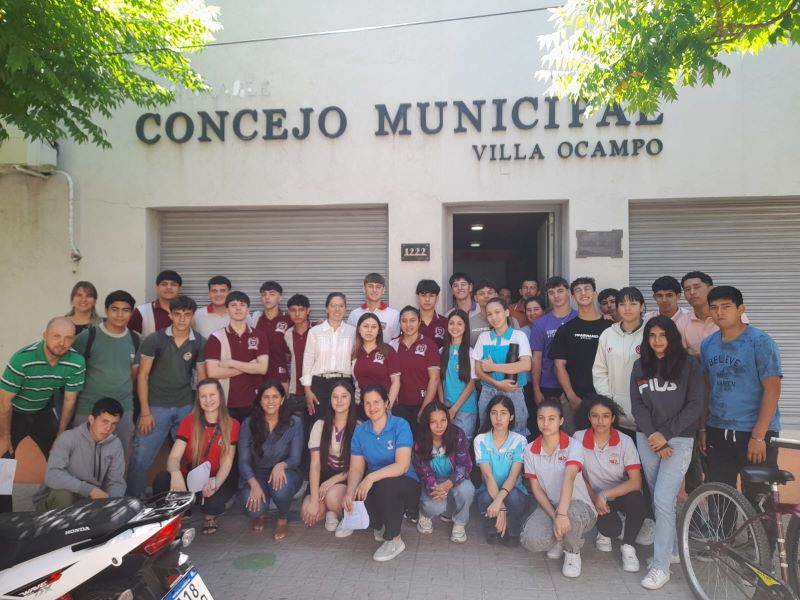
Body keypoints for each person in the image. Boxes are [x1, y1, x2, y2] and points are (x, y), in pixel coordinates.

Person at [630, 316, 705, 590]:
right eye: (652, 335)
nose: (657, 340)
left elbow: (695, 405)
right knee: (660, 498)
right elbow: (637, 405)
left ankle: (660, 567)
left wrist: (665, 434)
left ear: (672, 337)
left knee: (663, 498)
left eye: (663, 335)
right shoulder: (640, 365)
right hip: (647, 438)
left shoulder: (689, 365)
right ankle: (671, 550)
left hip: (679, 439)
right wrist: (654, 435)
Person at [700, 286, 782, 511]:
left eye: (726, 306)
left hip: (754, 432)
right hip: (718, 430)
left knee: (759, 497)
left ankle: (761, 536)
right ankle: (722, 534)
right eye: (714, 308)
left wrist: (759, 436)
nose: (719, 312)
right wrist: (703, 428)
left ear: (740, 309)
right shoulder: (708, 344)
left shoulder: (760, 341)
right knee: (719, 494)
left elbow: (772, 390)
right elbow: (707, 388)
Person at [0, 317, 85, 512]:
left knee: (61, 455)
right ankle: (4, 517)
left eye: (68, 338)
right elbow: (4, 403)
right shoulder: (22, 359)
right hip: (13, 412)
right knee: (3, 462)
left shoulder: (76, 362)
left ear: (73, 340)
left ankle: (55, 508)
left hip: (42, 411)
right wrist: (5, 436)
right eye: (56, 336)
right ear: (45, 336)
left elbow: (69, 401)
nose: (62, 343)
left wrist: (60, 435)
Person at [126, 295, 207, 498]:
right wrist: (145, 412)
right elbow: (143, 376)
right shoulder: (155, 339)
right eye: (177, 314)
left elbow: (202, 378)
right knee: (141, 458)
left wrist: (197, 410)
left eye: (186, 314)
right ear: (170, 315)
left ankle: (184, 503)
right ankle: (133, 502)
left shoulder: (199, 342)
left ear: (192, 316)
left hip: (185, 406)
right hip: (155, 407)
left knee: (189, 458)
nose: (182, 319)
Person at [152, 378, 240, 535]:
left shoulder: (232, 424)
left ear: (220, 396)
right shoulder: (189, 422)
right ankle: (182, 512)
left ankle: (210, 515)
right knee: (162, 480)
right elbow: (173, 457)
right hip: (191, 477)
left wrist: (214, 485)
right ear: (198, 399)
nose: (208, 400)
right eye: (203, 396)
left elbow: (226, 463)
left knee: (212, 505)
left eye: (212, 395)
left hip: (215, 478)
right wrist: (175, 473)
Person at [344, 384, 420, 562]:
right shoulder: (360, 430)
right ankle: (381, 524)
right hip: (377, 484)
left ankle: (395, 539)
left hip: (406, 483)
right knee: (359, 492)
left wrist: (370, 477)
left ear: (386, 403)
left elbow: (402, 466)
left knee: (387, 485)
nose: (372, 407)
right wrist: (350, 492)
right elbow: (356, 468)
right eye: (367, 403)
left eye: (377, 402)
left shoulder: (400, 425)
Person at [521, 400, 597, 579]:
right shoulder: (530, 450)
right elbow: (536, 490)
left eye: (551, 418)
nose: (545, 423)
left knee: (569, 513)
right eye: (541, 418)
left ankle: (573, 552)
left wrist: (561, 515)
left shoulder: (573, 445)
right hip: (551, 506)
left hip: (579, 506)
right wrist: (555, 517)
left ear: (561, 421)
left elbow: (569, 478)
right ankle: (560, 537)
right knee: (531, 540)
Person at [574, 394, 645, 573]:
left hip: (617, 493)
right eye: (595, 416)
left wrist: (604, 495)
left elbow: (636, 482)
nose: (600, 421)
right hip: (592, 496)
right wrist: (595, 497)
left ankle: (628, 547)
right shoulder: (578, 438)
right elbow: (576, 475)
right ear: (589, 417)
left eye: (605, 416)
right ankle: (604, 530)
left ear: (613, 418)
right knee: (611, 529)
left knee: (637, 498)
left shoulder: (625, 441)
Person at [72, 290, 140, 454]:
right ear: (106, 310)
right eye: (114, 309)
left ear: (131, 313)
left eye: (125, 310)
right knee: (83, 454)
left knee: (120, 454)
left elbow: (134, 375)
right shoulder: (87, 337)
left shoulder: (136, 339)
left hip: (123, 408)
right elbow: (71, 368)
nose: (120, 314)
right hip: (89, 406)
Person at [33, 398, 125, 511]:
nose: (108, 428)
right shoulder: (69, 437)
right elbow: (52, 475)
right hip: (56, 498)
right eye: (105, 421)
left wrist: (111, 504)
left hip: (87, 500)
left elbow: (116, 482)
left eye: (114, 424)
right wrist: (89, 490)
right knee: (64, 495)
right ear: (91, 419)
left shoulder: (115, 444)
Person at [239, 380, 304, 539]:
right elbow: (243, 461)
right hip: (258, 475)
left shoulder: (294, 422)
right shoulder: (249, 423)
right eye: (266, 397)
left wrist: (281, 465)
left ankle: (282, 518)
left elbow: (295, 458)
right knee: (253, 508)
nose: (270, 401)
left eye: (275, 397)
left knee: (280, 486)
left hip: (287, 473)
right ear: (260, 400)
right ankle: (261, 514)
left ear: (282, 399)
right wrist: (253, 484)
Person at [549, 277, 612, 432]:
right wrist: (571, 396)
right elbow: (559, 366)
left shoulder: (610, 327)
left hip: (605, 397)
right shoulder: (565, 330)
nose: (583, 293)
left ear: (594, 294)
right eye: (578, 290)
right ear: (572, 297)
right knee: (574, 441)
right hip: (574, 399)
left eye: (587, 289)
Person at [300, 379, 358, 536]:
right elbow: (315, 464)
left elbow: (359, 468)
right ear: (330, 399)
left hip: (346, 477)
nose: (339, 401)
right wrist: (314, 501)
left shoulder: (359, 427)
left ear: (351, 399)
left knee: (332, 497)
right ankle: (330, 512)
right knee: (308, 512)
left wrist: (333, 480)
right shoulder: (320, 425)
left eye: (344, 396)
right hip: (324, 475)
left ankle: (346, 516)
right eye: (335, 397)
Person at [412, 401, 475, 543]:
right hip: (433, 482)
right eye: (433, 422)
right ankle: (424, 513)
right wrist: (435, 488)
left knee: (467, 490)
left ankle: (459, 523)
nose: (439, 426)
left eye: (443, 420)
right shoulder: (420, 442)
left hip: (454, 478)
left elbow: (465, 465)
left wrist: (450, 482)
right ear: (427, 423)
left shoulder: (457, 434)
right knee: (435, 507)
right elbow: (424, 472)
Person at [473, 394, 529, 547]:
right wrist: (501, 507)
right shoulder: (480, 440)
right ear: (489, 415)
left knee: (514, 497)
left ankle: (513, 527)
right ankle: (491, 525)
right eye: (494, 413)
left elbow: (513, 476)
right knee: (486, 498)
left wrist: (499, 501)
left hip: (514, 491)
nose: (498, 418)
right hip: (489, 490)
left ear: (511, 417)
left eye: (503, 413)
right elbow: (488, 476)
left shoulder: (520, 441)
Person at [205, 291, 269, 423]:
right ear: (227, 310)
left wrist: (231, 362)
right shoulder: (216, 337)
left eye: (242, 305)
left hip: (254, 401)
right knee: (228, 437)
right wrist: (250, 366)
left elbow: (262, 369)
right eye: (233, 305)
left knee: (253, 436)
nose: (238, 308)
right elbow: (213, 372)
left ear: (248, 310)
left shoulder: (259, 335)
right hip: (225, 401)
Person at [473, 297, 531, 436]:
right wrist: (498, 384)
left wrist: (493, 367)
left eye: (497, 312)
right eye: (489, 314)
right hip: (488, 392)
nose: (494, 317)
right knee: (487, 433)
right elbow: (478, 370)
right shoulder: (483, 337)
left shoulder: (519, 336)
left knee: (517, 433)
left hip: (514, 391)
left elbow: (526, 365)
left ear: (506, 312)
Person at [592, 287, 646, 435]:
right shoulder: (608, 334)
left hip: (647, 414)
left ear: (642, 306)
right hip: (616, 412)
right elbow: (599, 371)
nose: (627, 308)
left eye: (633, 304)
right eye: (622, 304)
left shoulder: (651, 332)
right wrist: (608, 401)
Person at [301, 292, 356, 421]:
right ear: (326, 308)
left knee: (343, 423)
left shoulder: (353, 332)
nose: (337, 309)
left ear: (345, 308)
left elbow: (356, 360)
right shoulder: (315, 332)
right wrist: (307, 390)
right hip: (319, 384)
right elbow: (308, 361)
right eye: (333, 305)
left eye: (341, 306)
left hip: (344, 383)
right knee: (318, 423)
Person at [390, 306, 440, 432]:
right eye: (404, 321)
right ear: (400, 323)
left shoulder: (429, 345)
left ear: (419, 322)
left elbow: (434, 378)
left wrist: (424, 409)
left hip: (423, 404)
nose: (408, 325)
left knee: (421, 442)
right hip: (399, 407)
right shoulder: (392, 345)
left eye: (412, 320)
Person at [531, 276, 577, 406]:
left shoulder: (579, 317)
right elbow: (537, 359)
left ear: (568, 292)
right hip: (549, 383)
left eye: (560, 291)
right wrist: (536, 390)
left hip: (576, 382)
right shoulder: (540, 323)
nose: (556, 296)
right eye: (551, 292)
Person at [438, 310, 478, 440]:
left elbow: (471, 385)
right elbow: (438, 381)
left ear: (466, 327)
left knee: (462, 446)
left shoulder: (471, 353)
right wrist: (442, 406)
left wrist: (454, 409)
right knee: (446, 445)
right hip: (446, 407)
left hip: (465, 409)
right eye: (451, 323)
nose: (455, 327)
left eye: (459, 324)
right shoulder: (441, 351)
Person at [352, 313, 401, 409]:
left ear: (379, 331)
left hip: (383, 406)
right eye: (365, 326)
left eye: (374, 327)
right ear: (359, 329)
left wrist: (388, 405)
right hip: (361, 406)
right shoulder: (354, 352)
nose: (369, 330)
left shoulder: (388, 350)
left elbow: (396, 381)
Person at [251, 281, 293, 389]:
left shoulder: (288, 319)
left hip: (280, 374)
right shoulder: (255, 319)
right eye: (264, 294)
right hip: (257, 375)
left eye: (272, 294)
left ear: (280, 297)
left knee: (281, 400)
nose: (267, 297)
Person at [346, 273, 400, 342]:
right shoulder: (354, 314)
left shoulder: (394, 315)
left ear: (383, 290)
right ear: (364, 289)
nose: (374, 290)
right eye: (370, 286)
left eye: (378, 287)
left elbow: (395, 343)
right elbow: (350, 341)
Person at [128, 269, 183, 336]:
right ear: (157, 288)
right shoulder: (142, 311)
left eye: (173, 284)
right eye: (164, 284)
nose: (169, 287)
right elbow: (129, 337)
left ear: (180, 289)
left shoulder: (189, 312)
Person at [468, 279, 520, 348]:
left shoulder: (512, 321)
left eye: (490, 293)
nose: (486, 296)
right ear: (475, 298)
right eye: (481, 293)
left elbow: (519, 344)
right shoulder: (469, 322)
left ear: (496, 295)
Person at [284, 294, 311, 413]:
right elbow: (287, 358)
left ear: (308, 311)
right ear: (288, 312)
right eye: (293, 310)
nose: (297, 314)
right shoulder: (288, 334)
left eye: (301, 310)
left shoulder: (317, 330)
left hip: (316, 389)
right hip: (295, 391)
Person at [416, 279, 448, 350]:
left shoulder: (445, 322)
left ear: (437, 298)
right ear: (417, 297)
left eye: (431, 295)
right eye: (423, 295)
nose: (427, 299)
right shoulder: (410, 322)